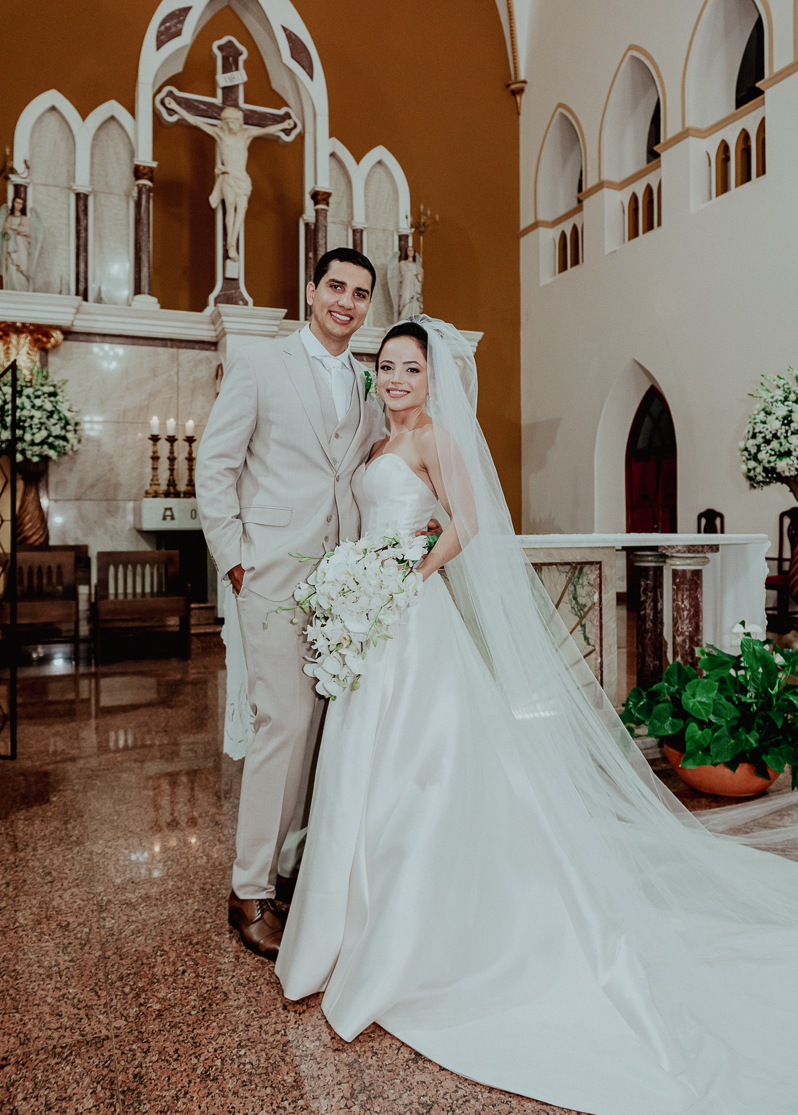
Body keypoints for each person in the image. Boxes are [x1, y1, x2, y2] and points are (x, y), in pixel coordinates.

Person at [276, 315, 798, 1115]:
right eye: (388, 366)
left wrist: (409, 574)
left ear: (432, 377)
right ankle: (348, 923)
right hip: (370, 618)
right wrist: (359, 577)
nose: (397, 379)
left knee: (421, 761)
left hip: (409, 615)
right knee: (362, 758)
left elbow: (469, 522)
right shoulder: (378, 443)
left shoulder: (436, 440)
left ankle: (414, 929)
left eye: (411, 368)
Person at [196, 248, 436, 961]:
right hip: (271, 576)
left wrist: (406, 531)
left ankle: (292, 871)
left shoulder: (368, 383)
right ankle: (248, 891)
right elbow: (216, 463)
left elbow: (371, 471)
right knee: (283, 725)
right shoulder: (260, 365)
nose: (347, 302)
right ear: (311, 290)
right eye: (336, 286)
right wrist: (235, 559)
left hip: (344, 587)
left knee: (326, 730)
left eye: (360, 293)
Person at [162, 96, 296, 259]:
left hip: (242, 177)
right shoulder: (220, 134)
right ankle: (231, 245)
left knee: (242, 208)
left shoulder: (246, 134)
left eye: (234, 122)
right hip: (228, 175)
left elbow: (267, 130)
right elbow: (196, 122)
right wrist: (175, 107)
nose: (231, 125)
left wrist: (284, 125)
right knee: (230, 206)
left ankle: (233, 240)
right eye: (228, 122)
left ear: (239, 122)